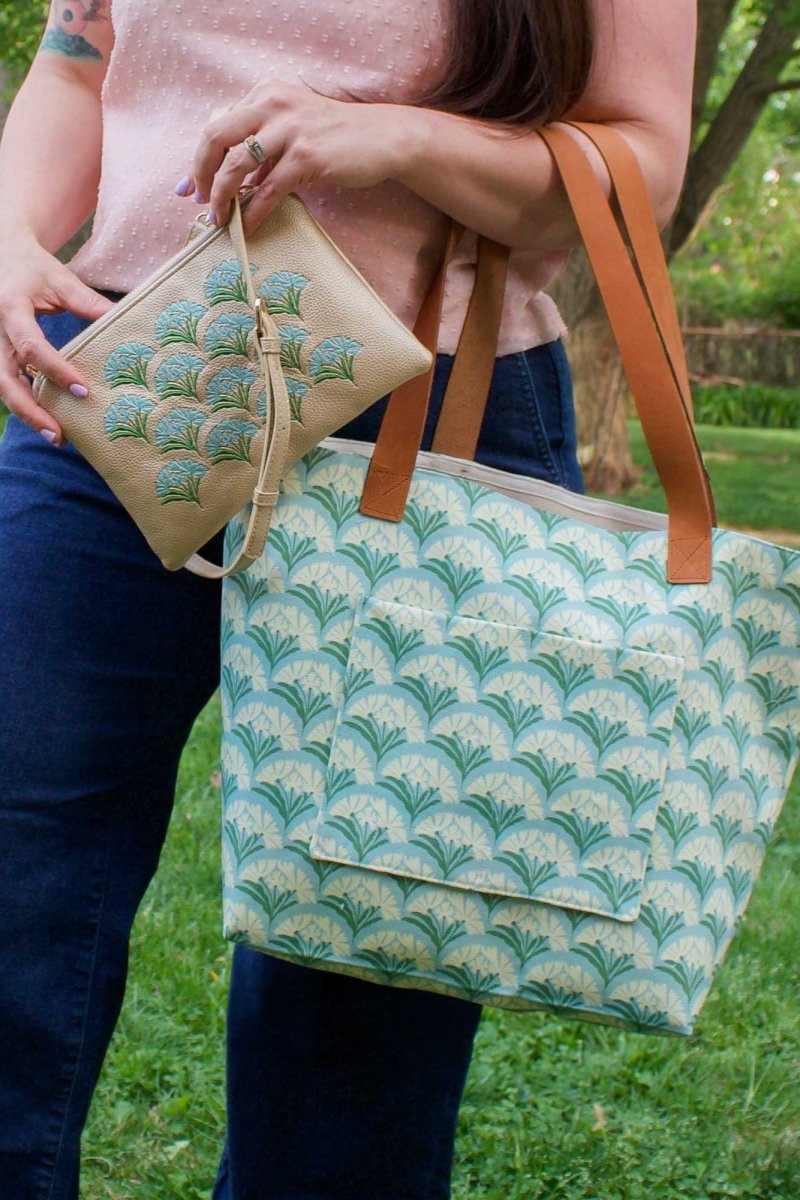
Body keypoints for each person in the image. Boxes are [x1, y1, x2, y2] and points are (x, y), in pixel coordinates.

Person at [0, 1, 697, 1196]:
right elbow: (77, 64)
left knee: (364, 932)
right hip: (123, 368)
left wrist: (399, 140)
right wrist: (10, 233)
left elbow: (638, 164)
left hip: (437, 405)